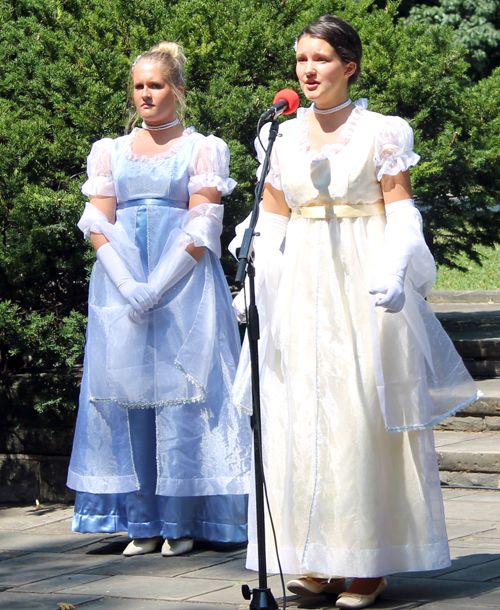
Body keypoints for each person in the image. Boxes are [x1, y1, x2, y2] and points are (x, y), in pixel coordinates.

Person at [231, 15, 479, 609]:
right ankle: (314, 556)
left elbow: (401, 211)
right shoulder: (281, 136)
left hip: (361, 285)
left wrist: (395, 269)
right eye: (301, 60)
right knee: (300, 417)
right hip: (299, 286)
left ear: (350, 65)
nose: (308, 70)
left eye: (320, 59)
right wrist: (251, 274)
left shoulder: (382, 133)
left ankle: (368, 560)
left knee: (358, 416)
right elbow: (272, 214)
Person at [67, 42, 251, 558]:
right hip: (123, 284)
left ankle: (182, 518)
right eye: (140, 85)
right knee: (128, 397)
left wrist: (162, 282)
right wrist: (128, 284)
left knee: (184, 395)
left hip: (183, 282)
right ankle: (141, 520)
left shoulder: (203, 148)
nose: (146, 94)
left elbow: (203, 221)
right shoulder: (111, 150)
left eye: (157, 85)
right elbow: (98, 220)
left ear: (179, 91)